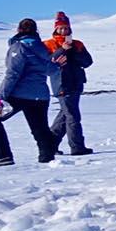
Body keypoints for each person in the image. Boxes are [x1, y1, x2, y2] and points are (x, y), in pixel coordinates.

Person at [0, 18, 60, 167]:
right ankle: (48, 160)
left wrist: (1, 98)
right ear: (36, 31)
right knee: (40, 129)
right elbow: (51, 70)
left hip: (19, 95)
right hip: (41, 95)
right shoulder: (43, 48)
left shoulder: (18, 47)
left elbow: (13, 74)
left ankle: (3, 155)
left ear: (18, 30)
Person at [43, 11, 94, 155]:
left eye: (66, 28)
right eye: (61, 28)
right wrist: (61, 50)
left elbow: (88, 62)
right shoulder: (48, 44)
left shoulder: (77, 44)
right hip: (61, 84)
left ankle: (50, 145)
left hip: (76, 83)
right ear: (56, 29)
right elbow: (47, 65)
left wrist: (74, 52)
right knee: (72, 116)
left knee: (65, 115)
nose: (63, 31)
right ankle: (77, 147)